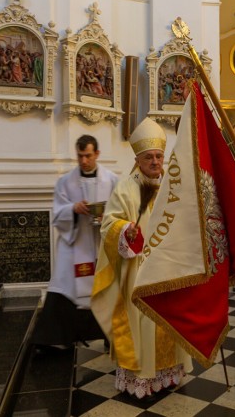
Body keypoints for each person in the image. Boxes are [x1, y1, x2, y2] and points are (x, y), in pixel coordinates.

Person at [92, 118, 192, 399]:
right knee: (142, 325)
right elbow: (108, 225)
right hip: (139, 271)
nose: (155, 161)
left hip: (169, 269)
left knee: (168, 323)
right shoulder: (126, 188)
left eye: (159, 156)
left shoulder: (172, 187)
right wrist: (126, 231)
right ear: (137, 159)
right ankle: (141, 377)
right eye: (149, 157)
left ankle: (169, 373)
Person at [31, 135, 118, 352]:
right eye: (80, 156)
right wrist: (73, 209)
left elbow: (120, 209)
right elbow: (58, 211)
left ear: (97, 154)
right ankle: (55, 338)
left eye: (88, 156)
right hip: (75, 242)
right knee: (64, 285)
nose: (83, 161)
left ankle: (111, 336)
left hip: (100, 243)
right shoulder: (65, 181)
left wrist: (106, 216)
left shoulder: (112, 180)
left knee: (107, 288)